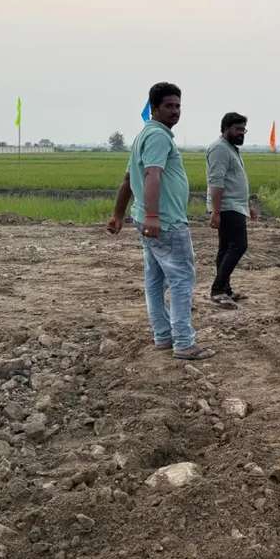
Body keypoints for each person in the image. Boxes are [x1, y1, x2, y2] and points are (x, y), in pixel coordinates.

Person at [107, 82, 215, 361]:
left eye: (178, 106)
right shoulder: (158, 137)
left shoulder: (145, 135)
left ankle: (163, 336)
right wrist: (153, 216)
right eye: (169, 106)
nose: (175, 111)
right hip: (165, 222)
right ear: (154, 108)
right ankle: (184, 343)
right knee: (181, 280)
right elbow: (151, 174)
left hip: (148, 219)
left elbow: (127, 179)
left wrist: (118, 215)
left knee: (155, 279)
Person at [207, 112, 256, 307]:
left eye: (243, 130)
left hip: (235, 206)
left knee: (226, 248)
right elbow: (216, 181)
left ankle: (225, 289)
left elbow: (235, 181)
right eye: (237, 129)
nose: (241, 133)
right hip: (227, 206)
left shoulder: (231, 149)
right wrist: (216, 212)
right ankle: (218, 290)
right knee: (239, 245)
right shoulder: (219, 149)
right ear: (226, 128)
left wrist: (248, 206)